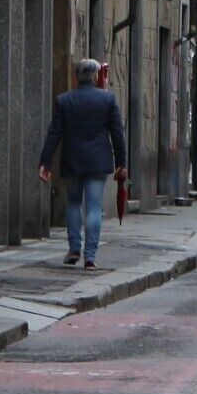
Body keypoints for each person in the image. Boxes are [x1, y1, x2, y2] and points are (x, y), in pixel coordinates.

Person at [38, 60, 127, 268]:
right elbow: (117, 133)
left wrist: (45, 162)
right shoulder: (107, 100)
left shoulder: (64, 101)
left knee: (73, 203)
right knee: (94, 207)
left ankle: (74, 248)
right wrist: (121, 163)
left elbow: (54, 133)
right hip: (98, 161)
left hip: (73, 160)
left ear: (76, 77)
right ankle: (90, 256)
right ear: (96, 77)